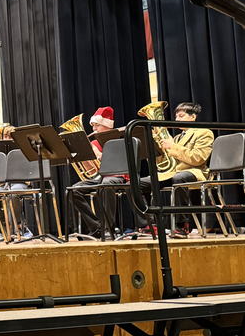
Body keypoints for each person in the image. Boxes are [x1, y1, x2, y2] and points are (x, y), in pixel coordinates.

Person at [138, 102, 213, 237]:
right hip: (174, 173)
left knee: (180, 178)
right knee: (135, 184)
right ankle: (148, 224)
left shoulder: (204, 133)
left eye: (181, 116)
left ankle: (181, 225)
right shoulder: (178, 137)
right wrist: (154, 150)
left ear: (193, 117)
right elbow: (166, 163)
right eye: (176, 116)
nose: (177, 119)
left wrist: (172, 146)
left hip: (195, 172)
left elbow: (198, 158)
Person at [68, 107, 128, 239]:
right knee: (73, 190)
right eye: (93, 125)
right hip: (101, 177)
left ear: (107, 125)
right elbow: (92, 171)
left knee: (107, 184)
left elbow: (122, 161)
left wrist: (101, 155)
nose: (94, 129)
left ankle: (109, 228)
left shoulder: (119, 137)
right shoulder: (93, 142)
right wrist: (83, 156)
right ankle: (96, 227)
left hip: (119, 175)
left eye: (97, 125)